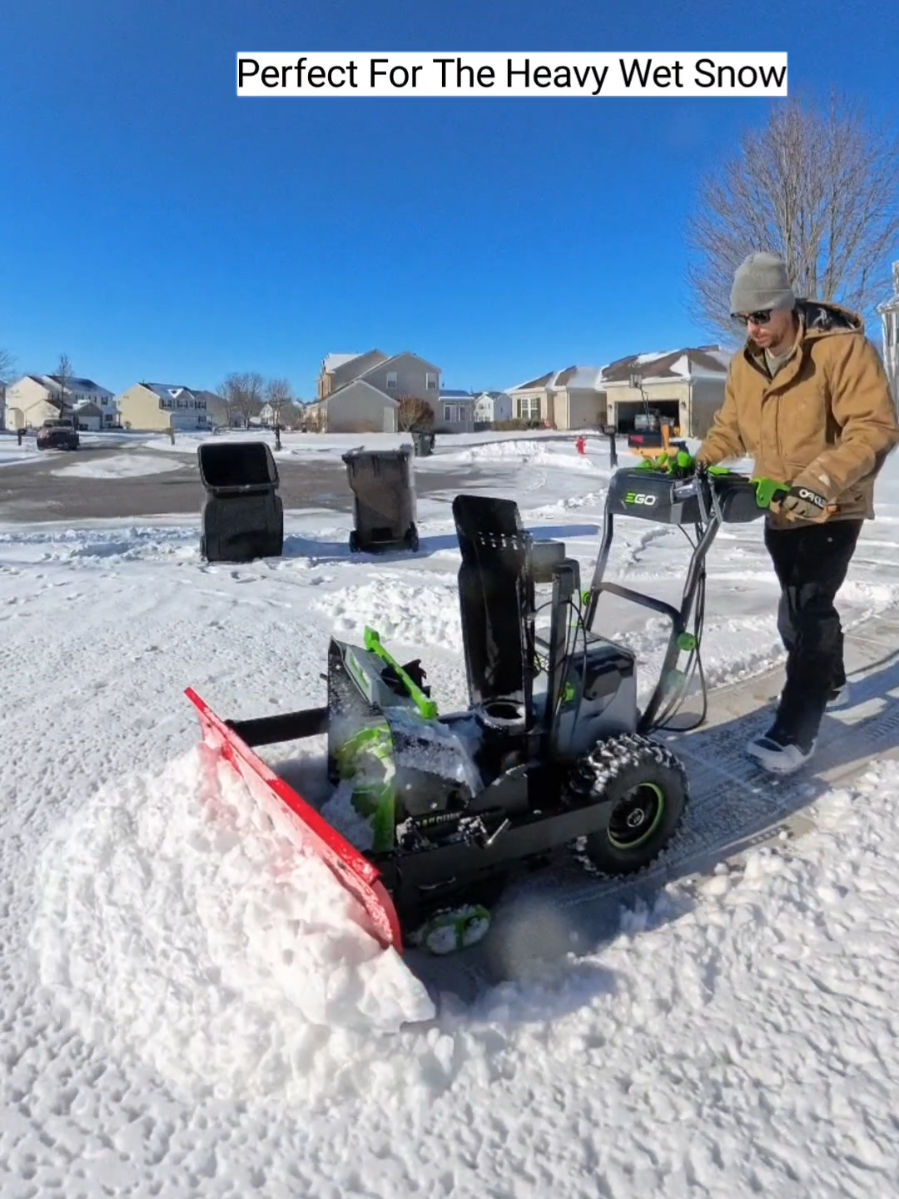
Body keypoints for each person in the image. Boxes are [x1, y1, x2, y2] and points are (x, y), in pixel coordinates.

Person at [695, 251, 899, 775]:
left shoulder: (842, 350)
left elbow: (875, 427)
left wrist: (820, 479)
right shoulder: (746, 364)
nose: (753, 328)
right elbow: (732, 427)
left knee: (806, 612)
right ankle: (829, 678)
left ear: (786, 306)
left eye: (761, 316)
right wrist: (698, 460)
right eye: (744, 318)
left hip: (833, 506)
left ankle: (797, 730)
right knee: (797, 606)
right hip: (779, 508)